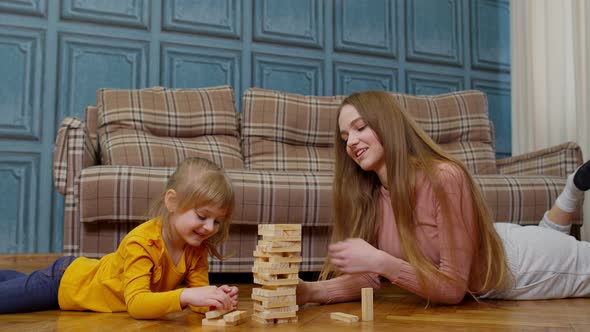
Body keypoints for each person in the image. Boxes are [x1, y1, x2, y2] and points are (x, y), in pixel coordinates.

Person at [296, 90, 590, 305]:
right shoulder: (370, 196)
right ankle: (573, 189)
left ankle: (571, 191)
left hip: (522, 265)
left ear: (388, 124)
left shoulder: (443, 177)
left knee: (571, 255)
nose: (353, 142)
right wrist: (309, 291)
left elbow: (452, 289)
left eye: (360, 128)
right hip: (488, 242)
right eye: (346, 138)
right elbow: (368, 277)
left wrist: (380, 260)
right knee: (547, 234)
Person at [0, 157, 239, 318]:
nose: (210, 228)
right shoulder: (142, 241)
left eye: (217, 221)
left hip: (74, 285)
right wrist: (185, 295)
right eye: (202, 216)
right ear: (172, 202)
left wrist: (214, 299)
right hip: (65, 283)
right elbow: (136, 304)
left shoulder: (196, 248)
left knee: (20, 284)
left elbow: (197, 298)